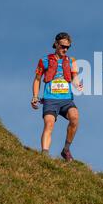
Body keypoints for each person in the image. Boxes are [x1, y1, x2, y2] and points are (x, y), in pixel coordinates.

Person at [31, 32, 83, 161]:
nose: (65, 49)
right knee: (49, 124)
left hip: (66, 99)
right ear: (56, 44)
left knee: (75, 118)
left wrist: (77, 84)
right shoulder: (44, 61)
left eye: (67, 47)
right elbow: (37, 79)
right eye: (62, 46)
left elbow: (75, 77)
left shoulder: (71, 61)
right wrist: (35, 96)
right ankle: (44, 155)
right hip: (50, 99)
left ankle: (66, 150)